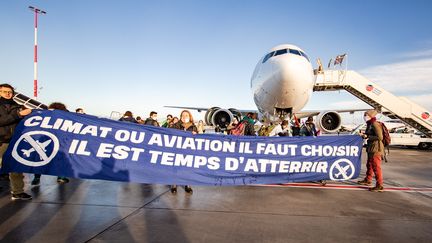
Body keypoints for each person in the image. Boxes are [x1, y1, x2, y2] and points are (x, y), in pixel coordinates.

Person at [0, 83, 33, 200]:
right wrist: (18, 115)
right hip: (1, 141)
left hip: (15, 141)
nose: (8, 94)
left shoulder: (18, 106)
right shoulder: (17, 110)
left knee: (16, 167)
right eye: (5, 92)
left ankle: (18, 191)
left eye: (10, 92)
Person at [32, 102, 70, 185]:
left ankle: (37, 177)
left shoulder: (44, 116)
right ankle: (61, 177)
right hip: (58, 142)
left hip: (46, 140)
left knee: (41, 159)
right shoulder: (66, 117)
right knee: (61, 159)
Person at [170, 110, 197, 194]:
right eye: (183, 115)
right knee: (175, 169)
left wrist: (195, 134)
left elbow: (197, 138)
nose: (184, 116)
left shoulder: (193, 126)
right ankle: (174, 185)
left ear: (190, 116)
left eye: (186, 115)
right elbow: (169, 132)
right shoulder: (176, 125)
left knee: (188, 169)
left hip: (188, 151)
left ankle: (187, 185)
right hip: (177, 150)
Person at [358, 109, 384, 192]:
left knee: (376, 167)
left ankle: (379, 185)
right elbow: (370, 134)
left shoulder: (375, 124)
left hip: (376, 149)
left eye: (366, 115)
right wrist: (365, 135)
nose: (364, 117)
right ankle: (368, 179)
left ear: (370, 116)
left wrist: (367, 137)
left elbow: (380, 137)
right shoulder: (370, 124)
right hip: (371, 148)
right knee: (369, 165)